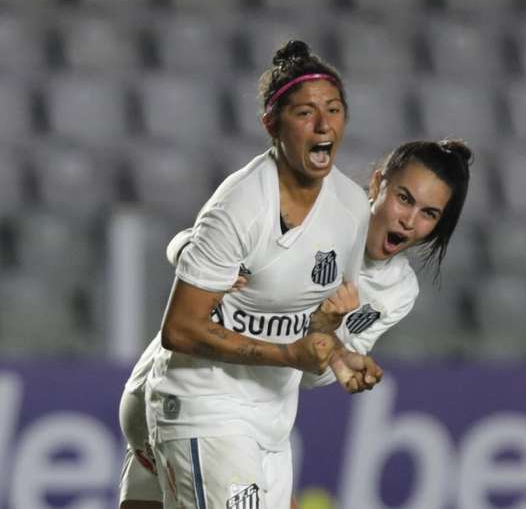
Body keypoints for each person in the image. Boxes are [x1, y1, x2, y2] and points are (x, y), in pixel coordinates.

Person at [118, 138, 474, 508]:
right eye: (404, 198)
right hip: (191, 396)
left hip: (255, 414)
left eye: (429, 214)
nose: (410, 220)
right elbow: (200, 239)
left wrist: (327, 333)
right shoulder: (322, 211)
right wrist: (191, 254)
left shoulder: (396, 291)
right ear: (377, 184)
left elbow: (311, 372)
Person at [136, 39, 379, 509]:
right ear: (272, 123)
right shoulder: (241, 206)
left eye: (333, 109)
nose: (324, 124)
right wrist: (288, 352)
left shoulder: (350, 209)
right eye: (305, 112)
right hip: (204, 404)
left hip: (271, 420)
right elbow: (180, 329)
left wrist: (337, 353)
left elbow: (319, 315)